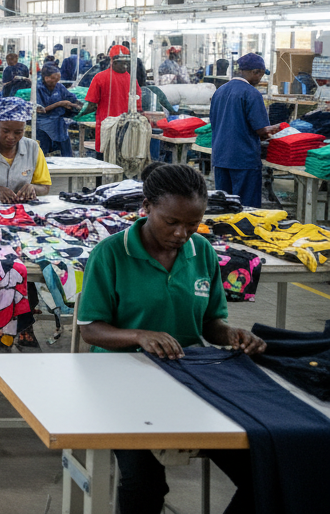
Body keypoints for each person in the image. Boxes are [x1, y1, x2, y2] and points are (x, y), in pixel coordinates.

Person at [77, 162, 264, 514]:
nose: (182, 233)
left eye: (193, 224)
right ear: (146, 207)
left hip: (189, 376)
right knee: (145, 482)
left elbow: (211, 322)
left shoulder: (202, 253)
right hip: (118, 380)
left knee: (267, 471)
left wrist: (232, 334)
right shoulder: (113, 253)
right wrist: (139, 336)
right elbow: (91, 328)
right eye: (172, 222)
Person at [209, 52, 280, 207]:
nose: (261, 79)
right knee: (246, 208)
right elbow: (261, 130)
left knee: (223, 205)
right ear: (256, 72)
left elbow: (215, 123)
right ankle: (245, 232)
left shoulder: (219, 91)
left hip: (221, 156)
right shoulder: (252, 93)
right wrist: (278, 128)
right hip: (243, 159)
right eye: (261, 75)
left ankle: (223, 232)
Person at [82, 45, 137, 153]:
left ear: (111, 60)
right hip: (126, 126)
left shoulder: (100, 77)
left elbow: (92, 105)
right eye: (124, 63)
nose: (125, 66)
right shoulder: (131, 80)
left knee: (104, 157)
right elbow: (138, 105)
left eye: (127, 63)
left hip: (106, 125)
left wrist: (79, 114)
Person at [35, 65, 80, 157]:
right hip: (43, 125)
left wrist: (74, 105)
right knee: (43, 154)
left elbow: (71, 98)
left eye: (58, 79)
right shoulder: (37, 88)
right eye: (54, 78)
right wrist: (60, 103)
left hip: (58, 124)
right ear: (46, 78)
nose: (57, 81)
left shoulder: (59, 87)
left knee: (65, 154)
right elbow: (39, 110)